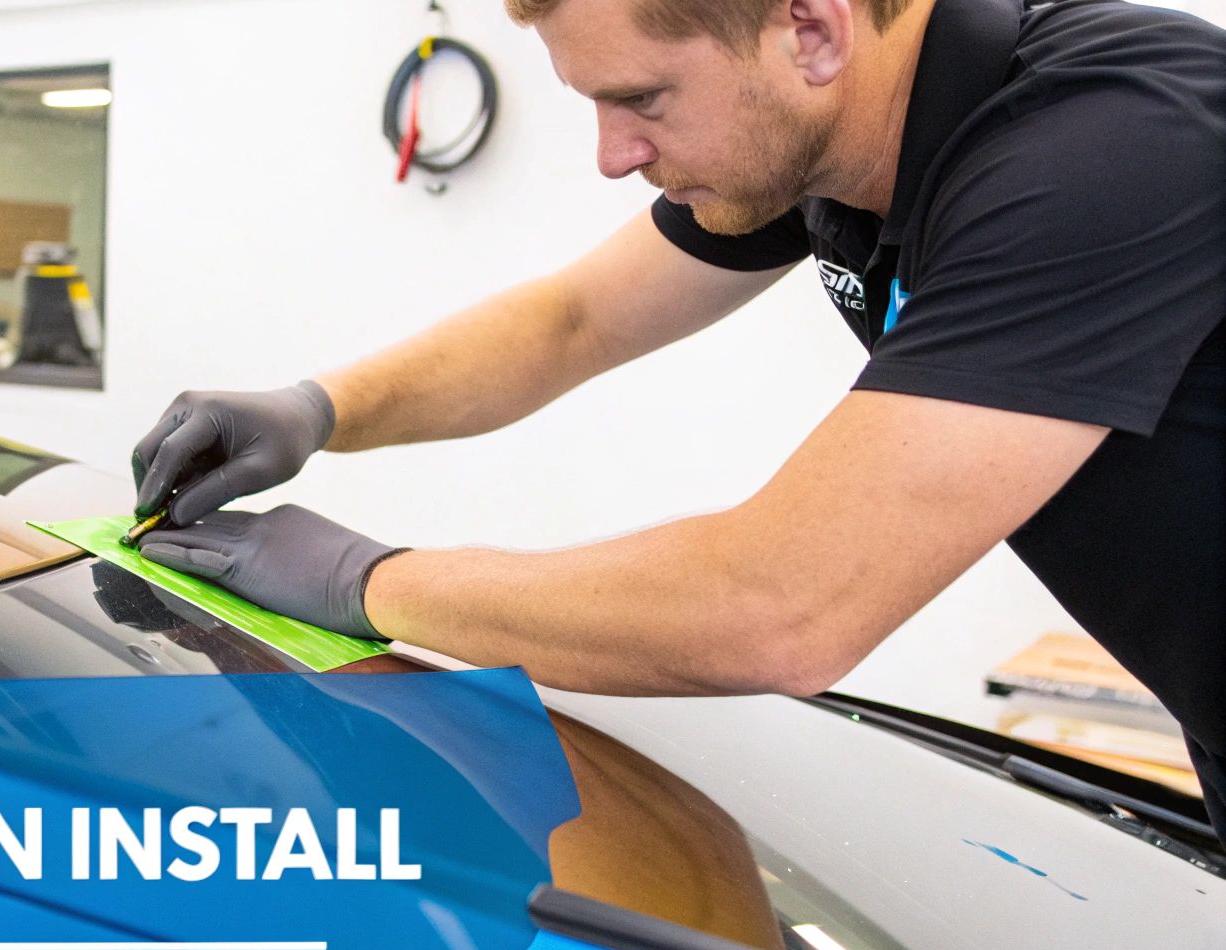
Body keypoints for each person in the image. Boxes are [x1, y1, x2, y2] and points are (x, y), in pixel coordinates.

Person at [128, 0, 1226, 830]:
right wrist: (316, 409)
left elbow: (778, 604)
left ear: (809, 29)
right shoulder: (840, 146)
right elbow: (569, 322)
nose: (613, 156)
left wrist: (363, 584)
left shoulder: (1104, 149)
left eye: (640, 100)